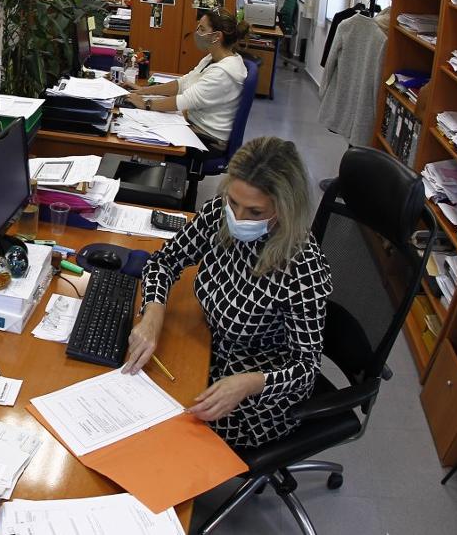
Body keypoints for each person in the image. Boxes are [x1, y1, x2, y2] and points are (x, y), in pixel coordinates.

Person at [124, 137, 333, 449]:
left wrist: (247, 384)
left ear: (284, 209)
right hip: (208, 347)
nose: (238, 217)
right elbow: (164, 261)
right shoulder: (218, 214)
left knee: (157, 436)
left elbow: (306, 367)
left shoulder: (302, 267)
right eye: (233, 203)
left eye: (254, 211)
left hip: (256, 393)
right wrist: (153, 313)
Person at [127, 8, 249, 156]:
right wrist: (144, 90)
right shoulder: (213, 58)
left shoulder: (223, 72)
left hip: (208, 139)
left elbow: (185, 100)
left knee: (139, 136)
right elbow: (183, 83)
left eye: (202, 29)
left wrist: (146, 104)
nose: (197, 32)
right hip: (194, 123)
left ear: (217, 36)